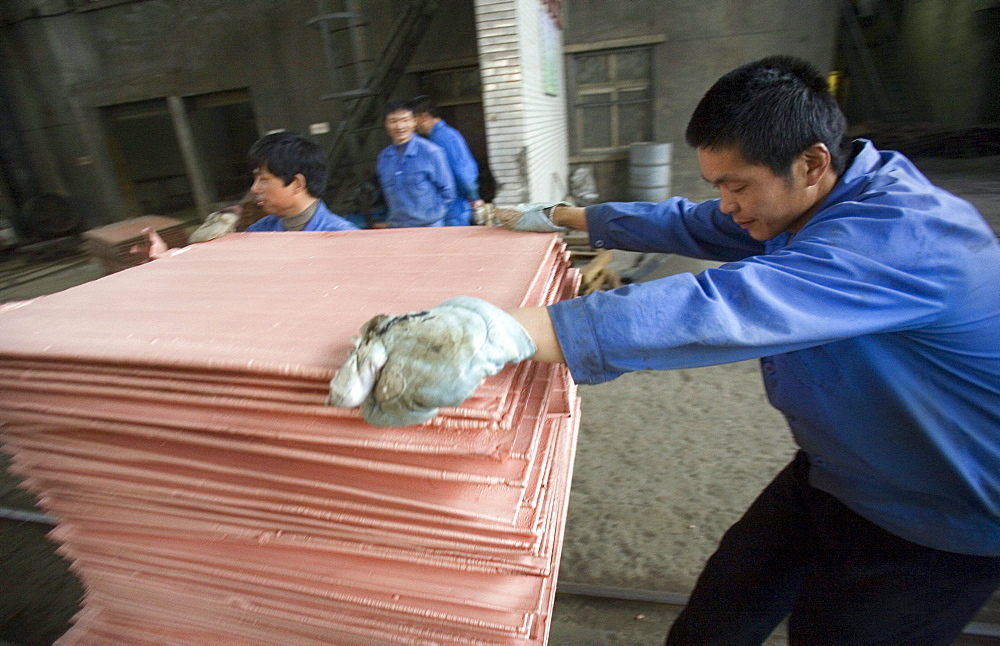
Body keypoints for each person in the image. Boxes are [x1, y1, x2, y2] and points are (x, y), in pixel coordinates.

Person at [327, 55, 1000, 643]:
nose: (728, 205)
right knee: (717, 616)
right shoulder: (809, 199)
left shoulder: (905, 239)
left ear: (812, 162)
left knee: (834, 631)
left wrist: (506, 331)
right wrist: (561, 217)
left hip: (935, 514)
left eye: (738, 186)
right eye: (719, 185)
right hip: (837, 466)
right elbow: (690, 222)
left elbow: (726, 305)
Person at [138, 131, 356, 259]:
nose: (254, 189)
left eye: (264, 180)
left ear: (297, 183)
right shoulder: (260, 232)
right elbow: (217, 265)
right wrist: (169, 257)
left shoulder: (347, 240)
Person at [375, 100, 456, 228]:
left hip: (429, 228)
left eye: (405, 120)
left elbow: (448, 191)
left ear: (414, 121)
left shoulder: (431, 152)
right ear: (385, 124)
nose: (400, 126)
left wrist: (432, 217)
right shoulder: (384, 158)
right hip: (397, 229)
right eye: (393, 121)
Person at [409, 95, 484, 226]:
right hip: (453, 206)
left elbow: (462, 172)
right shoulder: (443, 135)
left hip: (454, 208)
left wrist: (474, 197)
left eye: (413, 119)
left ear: (424, 116)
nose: (412, 125)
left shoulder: (443, 138)